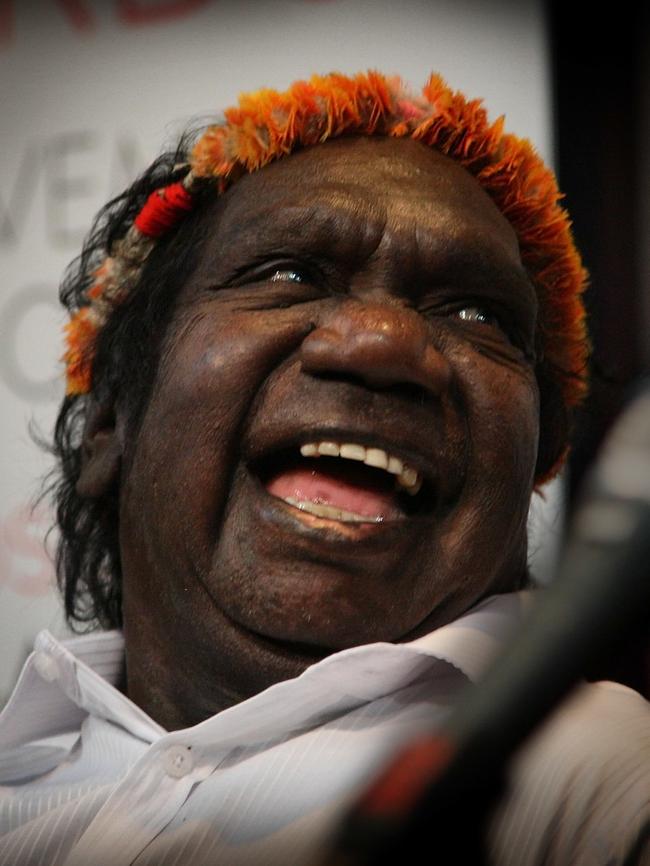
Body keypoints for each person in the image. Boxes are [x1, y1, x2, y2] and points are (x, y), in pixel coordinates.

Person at [0, 71, 647, 866]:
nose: (381, 342)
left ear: (540, 459)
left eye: (477, 315)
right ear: (108, 424)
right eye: (291, 274)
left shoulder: (602, 780)